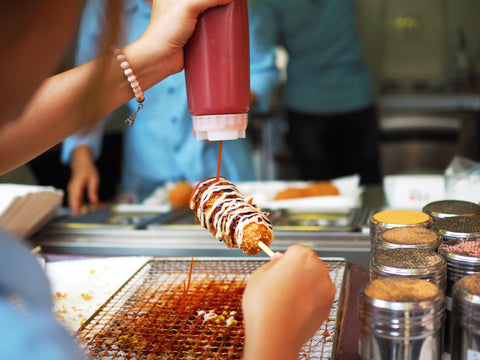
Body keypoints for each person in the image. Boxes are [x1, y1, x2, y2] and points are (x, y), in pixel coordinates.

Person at [0, 1, 335, 358]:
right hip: (149, 165)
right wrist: (275, 338)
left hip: (216, 160)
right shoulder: (21, 337)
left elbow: (264, 73)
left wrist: (162, 61)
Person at [62, 0, 280, 213]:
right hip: (148, 173)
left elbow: (264, 72)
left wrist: (226, 105)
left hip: (222, 167)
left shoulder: (231, 4)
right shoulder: (106, 8)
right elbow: (90, 89)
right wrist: (82, 160)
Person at [249, 0, 382, 185]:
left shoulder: (272, 3)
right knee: (365, 188)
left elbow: (263, 45)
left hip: (307, 102)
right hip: (354, 96)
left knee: (319, 193)